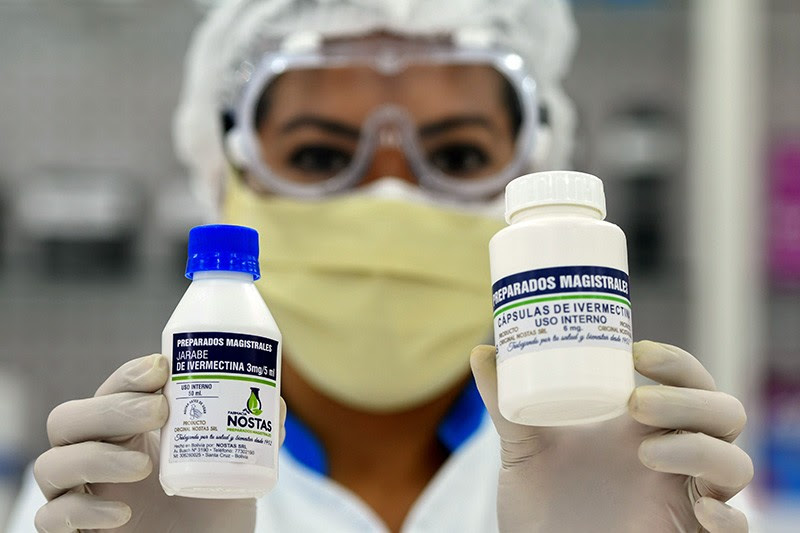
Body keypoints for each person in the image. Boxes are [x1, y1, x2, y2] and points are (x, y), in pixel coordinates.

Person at [9, 1, 755, 532]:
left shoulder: (639, 466)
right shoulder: (130, 474)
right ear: (224, 182)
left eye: (458, 156)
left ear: (531, 185)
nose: (389, 197)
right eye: (320, 156)